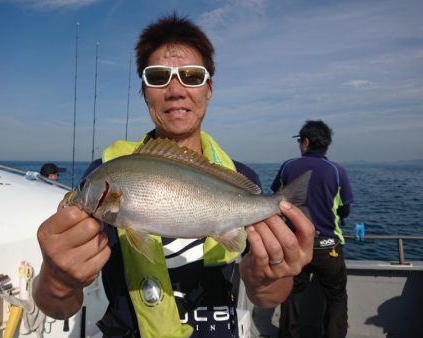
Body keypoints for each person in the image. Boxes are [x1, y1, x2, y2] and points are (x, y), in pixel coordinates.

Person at [32, 14, 315, 338]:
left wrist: (268, 277)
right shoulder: (104, 167)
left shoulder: (242, 177)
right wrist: (56, 278)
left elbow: (267, 295)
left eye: (192, 76)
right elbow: (56, 308)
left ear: (208, 89)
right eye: (158, 76)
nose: (175, 90)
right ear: (144, 90)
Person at [271, 120, 354, 338]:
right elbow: (345, 209)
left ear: (305, 142)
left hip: (295, 245)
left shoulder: (288, 167)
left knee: (291, 292)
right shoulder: (338, 171)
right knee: (336, 296)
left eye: (300, 141)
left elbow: (274, 199)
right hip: (329, 247)